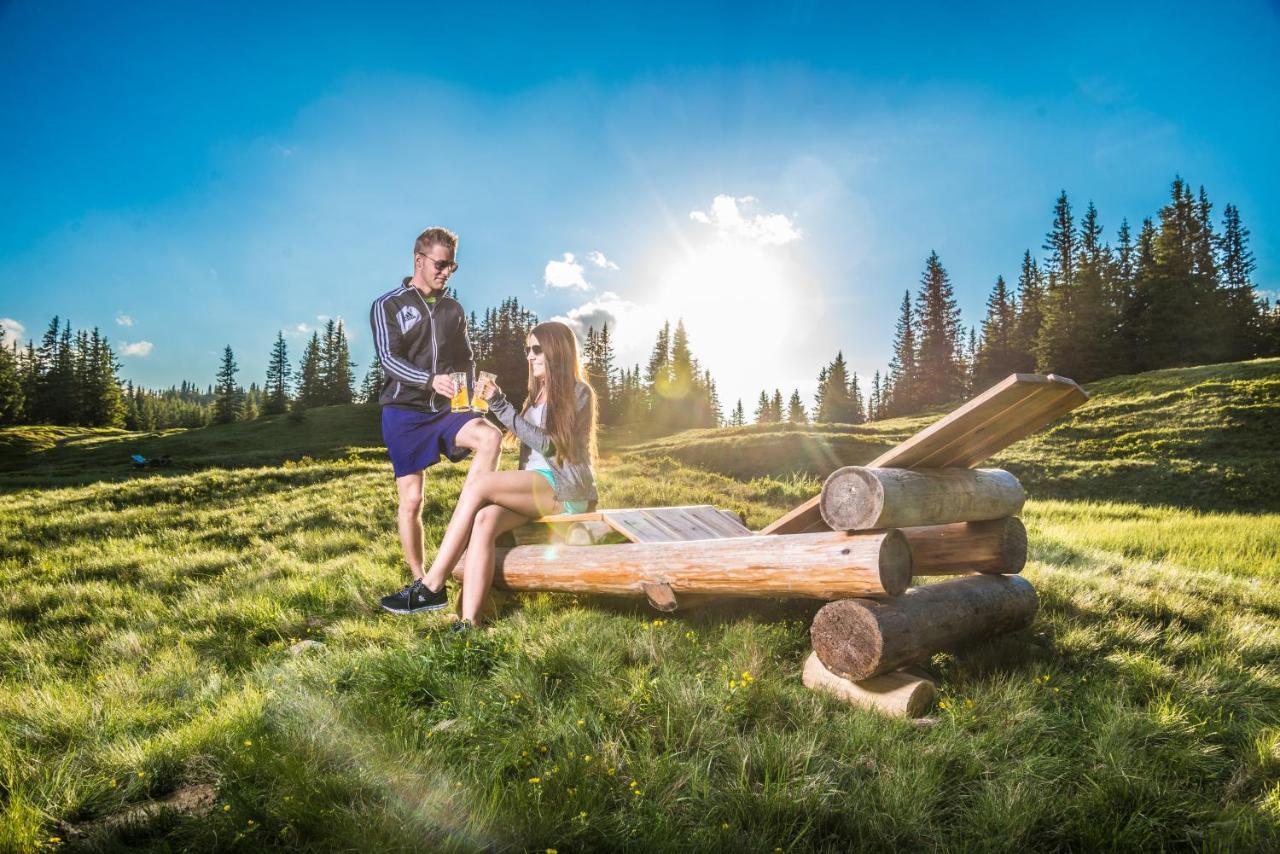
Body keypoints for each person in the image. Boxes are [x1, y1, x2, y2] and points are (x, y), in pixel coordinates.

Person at [417, 320, 598, 630]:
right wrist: (486, 408)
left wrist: (501, 405)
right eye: (527, 350)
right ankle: (469, 623)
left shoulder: (579, 392)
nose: (529, 356)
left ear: (557, 351)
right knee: (484, 520)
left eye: (537, 349)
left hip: (565, 490)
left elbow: (551, 445)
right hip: (535, 489)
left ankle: (434, 581)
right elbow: (523, 436)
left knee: (481, 485)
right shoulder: (536, 395)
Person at [371, 226, 502, 615]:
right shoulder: (388, 305)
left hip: (446, 410)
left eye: (452, 266)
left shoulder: (453, 309)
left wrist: (471, 396)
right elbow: (388, 360)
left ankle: (473, 519)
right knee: (412, 501)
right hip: (404, 413)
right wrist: (429, 379)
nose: (447, 272)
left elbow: (465, 360)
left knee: (490, 436)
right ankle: (422, 579)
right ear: (419, 261)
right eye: (441, 265)